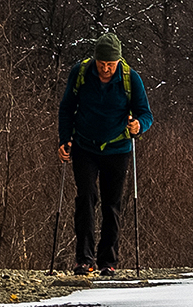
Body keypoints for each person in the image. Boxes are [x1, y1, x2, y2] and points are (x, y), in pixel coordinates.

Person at [56, 29, 153, 276]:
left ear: (118, 61)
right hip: (84, 146)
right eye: (102, 63)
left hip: (117, 149)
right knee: (86, 198)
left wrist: (138, 125)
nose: (106, 68)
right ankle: (84, 259)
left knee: (112, 204)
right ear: (95, 59)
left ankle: (107, 262)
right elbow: (66, 108)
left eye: (111, 64)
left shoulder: (131, 79)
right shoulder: (80, 73)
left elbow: (145, 113)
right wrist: (64, 140)